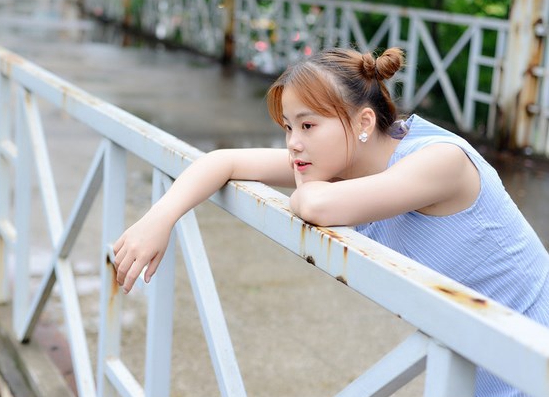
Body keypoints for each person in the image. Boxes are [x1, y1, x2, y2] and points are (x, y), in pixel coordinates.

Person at [112, 47, 549, 396]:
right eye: (288, 127)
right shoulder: (342, 162)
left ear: (363, 121)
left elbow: (314, 206)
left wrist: (308, 189)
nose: (293, 144)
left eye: (308, 125)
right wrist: (160, 217)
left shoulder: (440, 162)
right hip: (476, 356)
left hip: (534, 356)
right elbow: (223, 160)